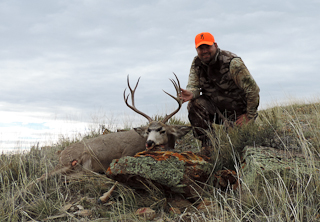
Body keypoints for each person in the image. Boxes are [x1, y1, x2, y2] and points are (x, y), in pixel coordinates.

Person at [179, 32, 260, 149]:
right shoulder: (197, 63)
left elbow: (252, 90)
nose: (205, 51)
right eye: (201, 48)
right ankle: (208, 145)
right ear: (196, 49)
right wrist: (191, 93)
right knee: (194, 105)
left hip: (238, 114)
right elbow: (194, 86)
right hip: (216, 110)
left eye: (208, 46)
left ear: (215, 45)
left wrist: (249, 116)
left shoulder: (232, 62)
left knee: (240, 145)